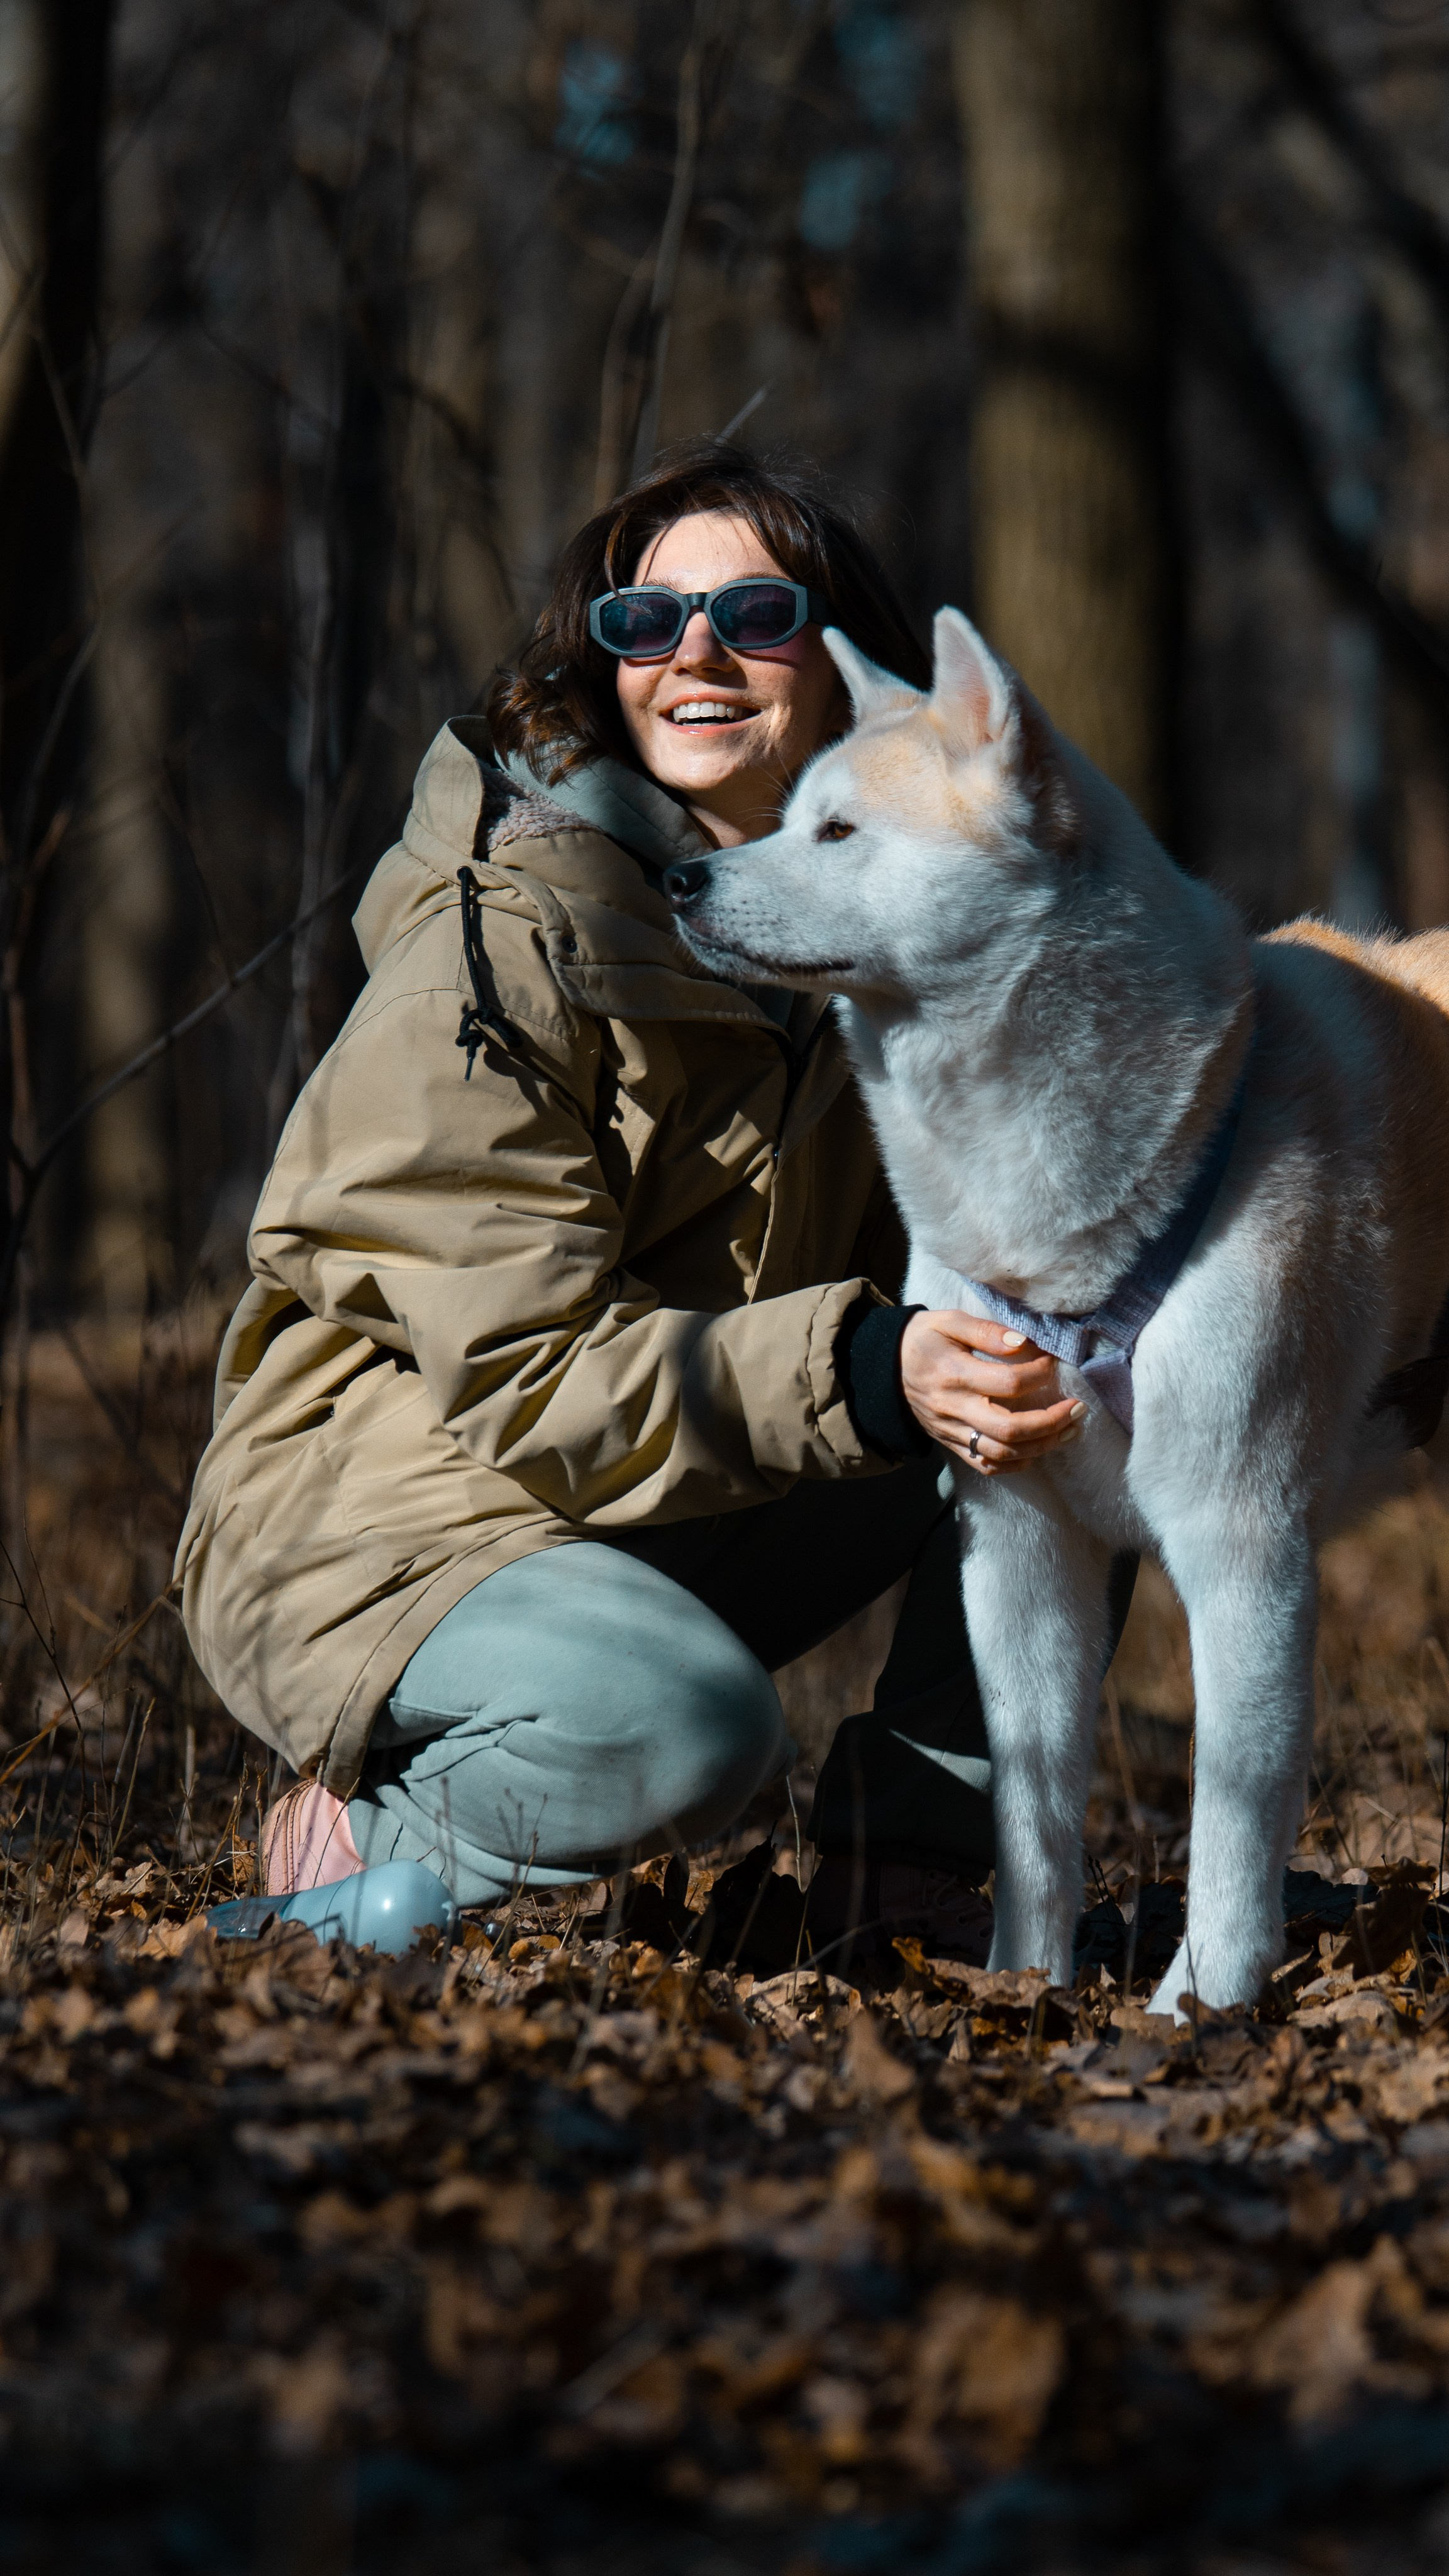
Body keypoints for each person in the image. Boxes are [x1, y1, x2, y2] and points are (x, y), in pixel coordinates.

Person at [175, 438, 1097, 1950]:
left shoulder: (901, 944)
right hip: (378, 1514)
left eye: (754, 615)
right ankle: (365, 1837)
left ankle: (906, 1873)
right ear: (604, 666)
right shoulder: (502, 945)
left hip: (644, 1480)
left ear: (847, 664)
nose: (695, 656)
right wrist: (872, 1366)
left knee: (1069, 1394)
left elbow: (1057, 1232)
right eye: (646, 622)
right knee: (692, 1734)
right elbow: (527, 1370)